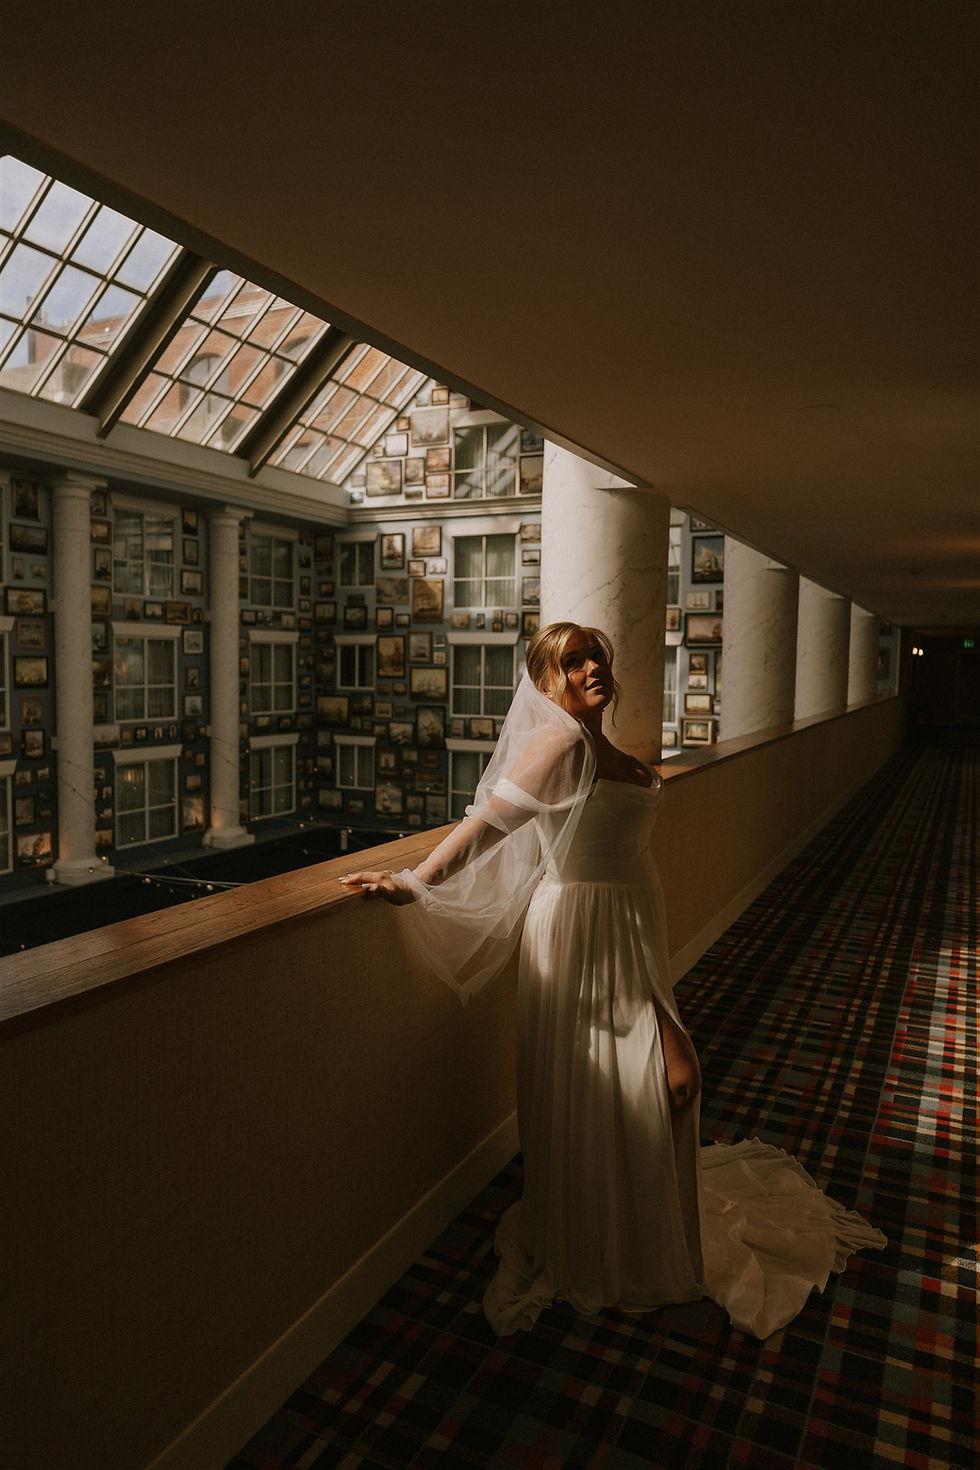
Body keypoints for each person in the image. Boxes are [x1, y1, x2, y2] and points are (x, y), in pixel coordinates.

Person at [341, 622, 884, 1337]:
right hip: (581, 930)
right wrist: (414, 881)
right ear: (547, 683)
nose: (592, 667)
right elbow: (488, 826)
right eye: (573, 662)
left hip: (627, 924)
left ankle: (632, 1228)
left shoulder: (602, 748)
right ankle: (613, 1242)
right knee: (668, 1079)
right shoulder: (560, 746)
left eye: (596, 656)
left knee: (641, 1084)